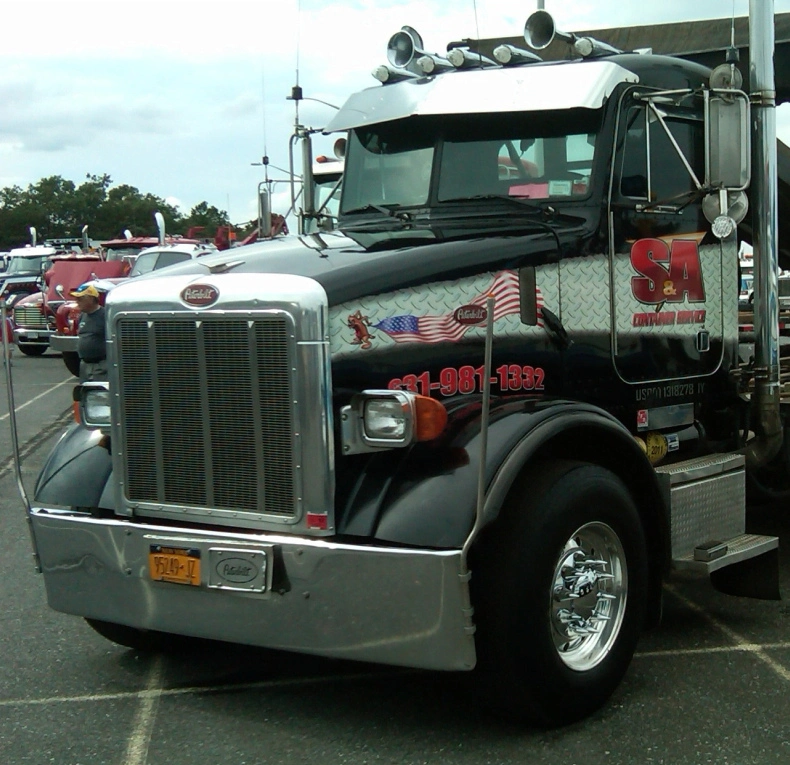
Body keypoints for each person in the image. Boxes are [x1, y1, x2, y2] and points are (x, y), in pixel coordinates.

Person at [70, 282, 107, 381]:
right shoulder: (82, 315)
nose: (77, 301)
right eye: (76, 298)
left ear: (91, 299)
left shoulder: (105, 315)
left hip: (100, 365)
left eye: (80, 298)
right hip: (84, 365)